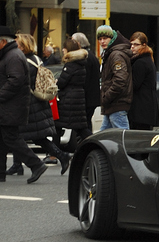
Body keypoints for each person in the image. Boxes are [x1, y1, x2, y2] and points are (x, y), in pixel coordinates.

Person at [6, 34, 70, 177]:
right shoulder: (36, 59)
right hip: (37, 102)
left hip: (30, 103)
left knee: (20, 135)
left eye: (18, 44)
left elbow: (20, 82)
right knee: (25, 135)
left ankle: (61, 155)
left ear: (23, 46)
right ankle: (18, 165)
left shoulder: (25, 62)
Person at [0, 26, 48, 183]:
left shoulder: (13, 56)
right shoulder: (9, 54)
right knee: (4, 138)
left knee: (11, 138)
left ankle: (36, 164)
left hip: (11, 106)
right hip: (10, 106)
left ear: (2, 42)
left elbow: (15, 81)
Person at [56, 38, 92, 144]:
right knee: (80, 128)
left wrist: (56, 81)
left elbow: (62, 82)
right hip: (77, 98)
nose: (63, 50)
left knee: (57, 125)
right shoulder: (81, 63)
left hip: (68, 100)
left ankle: (54, 154)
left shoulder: (70, 65)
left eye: (65, 48)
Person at [97, 25, 133, 131]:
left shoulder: (116, 55)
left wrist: (107, 96)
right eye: (100, 39)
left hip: (117, 103)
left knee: (121, 136)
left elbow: (120, 79)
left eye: (105, 38)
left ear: (112, 38)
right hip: (113, 104)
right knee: (103, 136)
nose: (102, 41)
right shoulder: (111, 53)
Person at [128, 32, 159, 130]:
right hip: (146, 108)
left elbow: (135, 85)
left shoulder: (140, 62)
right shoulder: (147, 59)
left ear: (144, 45)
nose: (132, 47)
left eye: (136, 44)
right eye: (131, 44)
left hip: (141, 109)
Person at [72, 32, 101, 131]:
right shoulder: (91, 55)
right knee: (85, 123)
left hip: (87, 98)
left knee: (84, 125)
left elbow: (85, 79)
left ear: (78, 43)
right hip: (91, 98)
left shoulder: (85, 57)